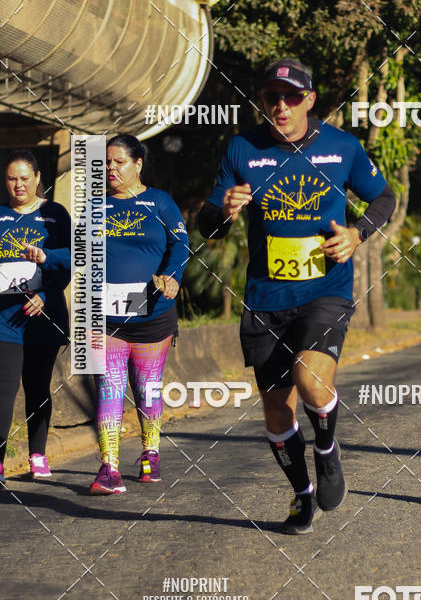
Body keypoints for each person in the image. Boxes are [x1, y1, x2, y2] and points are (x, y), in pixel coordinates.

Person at [198, 58, 396, 533]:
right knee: (275, 410)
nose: (280, 106)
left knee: (311, 378)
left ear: (309, 99)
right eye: (271, 97)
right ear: (262, 101)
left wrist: (357, 233)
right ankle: (302, 493)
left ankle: (327, 449)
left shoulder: (341, 147)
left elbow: (384, 197)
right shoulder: (242, 149)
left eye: (290, 97)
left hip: (324, 290)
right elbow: (208, 225)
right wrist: (223, 212)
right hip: (265, 298)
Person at [26, 135, 189, 494]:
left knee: (147, 391)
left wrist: (172, 277)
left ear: (138, 164)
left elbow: (181, 245)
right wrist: (46, 257)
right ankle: (108, 468)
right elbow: (77, 256)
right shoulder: (94, 208)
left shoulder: (159, 202)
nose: (111, 169)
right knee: (109, 390)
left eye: (119, 162)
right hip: (106, 318)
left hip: (153, 315)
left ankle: (150, 453)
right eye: (106, 163)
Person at [0, 150, 70, 483]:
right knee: (4, 388)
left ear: (38, 178)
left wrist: (47, 294)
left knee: (37, 386)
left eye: (25, 178)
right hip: (5, 320)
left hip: (44, 316)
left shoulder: (55, 214)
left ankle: (37, 454)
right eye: (12, 179)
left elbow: (71, 261)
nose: (18, 185)